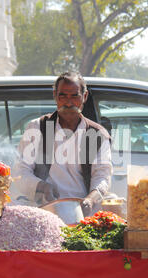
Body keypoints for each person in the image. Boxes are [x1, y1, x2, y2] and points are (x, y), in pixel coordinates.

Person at [13, 71, 113, 216]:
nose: (68, 102)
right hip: (44, 209)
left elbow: (102, 176)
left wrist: (90, 200)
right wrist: (42, 186)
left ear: (84, 97)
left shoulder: (97, 134)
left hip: (83, 210)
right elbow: (20, 172)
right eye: (63, 96)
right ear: (55, 96)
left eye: (74, 96)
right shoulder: (37, 128)